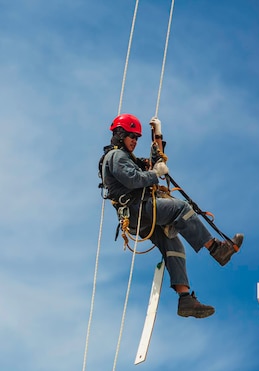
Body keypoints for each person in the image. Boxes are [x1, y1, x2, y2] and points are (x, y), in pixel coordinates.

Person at [98, 113, 243, 319]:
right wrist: (155, 174)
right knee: (180, 209)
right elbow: (134, 179)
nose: (135, 141)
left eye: (137, 138)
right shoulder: (116, 157)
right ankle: (217, 249)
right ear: (120, 134)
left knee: (174, 244)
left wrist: (157, 135)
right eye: (132, 136)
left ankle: (185, 299)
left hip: (141, 215)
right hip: (138, 209)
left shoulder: (128, 158)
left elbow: (154, 163)